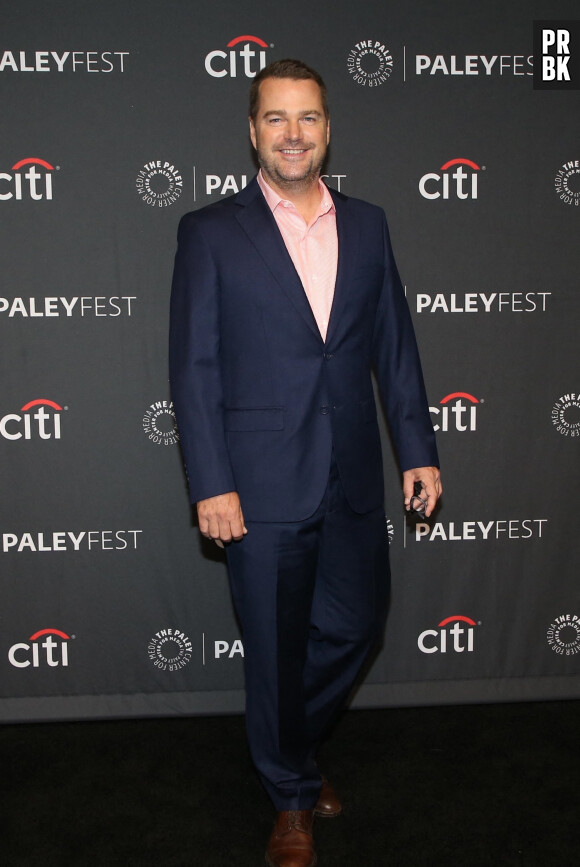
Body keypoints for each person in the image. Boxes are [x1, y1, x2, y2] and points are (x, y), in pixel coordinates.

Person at [169, 58, 441, 867]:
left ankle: (286, 742)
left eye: (310, 118)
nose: (295, 134)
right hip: (256, 482)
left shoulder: (371, 224)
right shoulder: (211, 230)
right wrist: (210, 480)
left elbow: (393, 345)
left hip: (352, 471)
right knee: (278, 646)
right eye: (278, 119)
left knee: (358, 626)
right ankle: (290, 794)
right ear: (254, 131)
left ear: (329, 129)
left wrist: (417, 450)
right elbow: (194, 368)